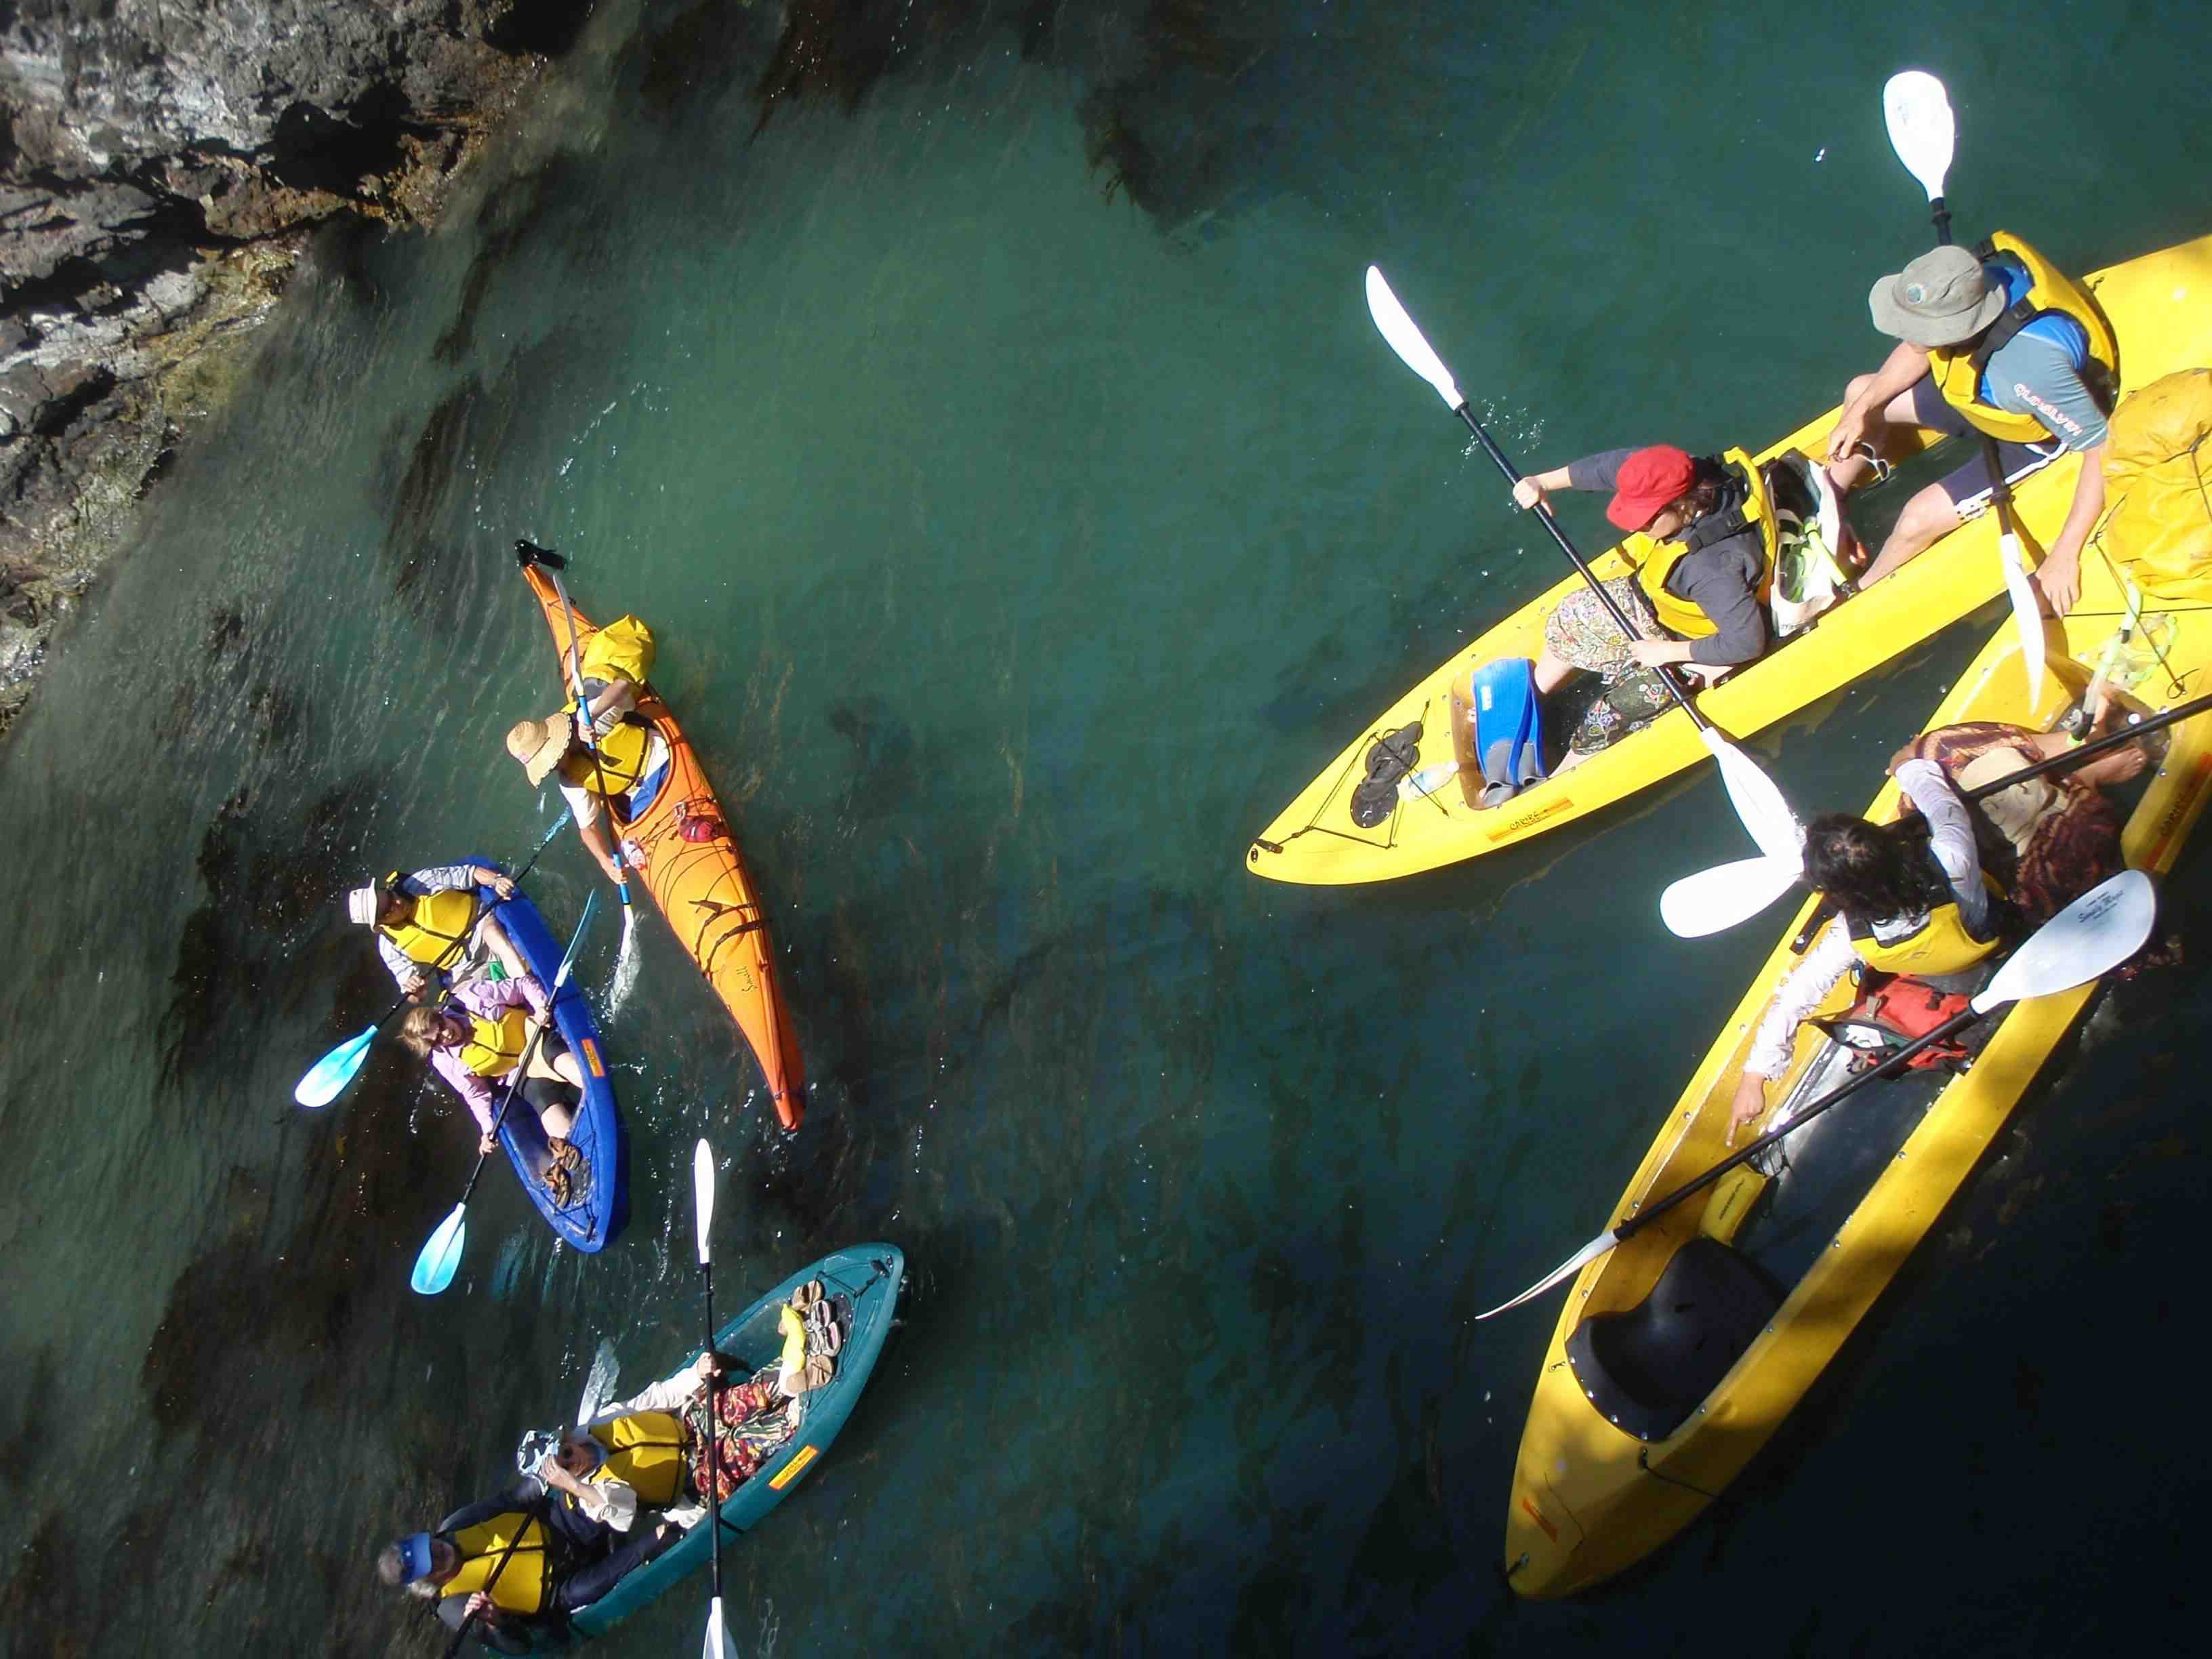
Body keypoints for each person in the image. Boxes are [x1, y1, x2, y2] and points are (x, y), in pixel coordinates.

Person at [1727, 714, 2147, 1144]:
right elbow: (1940, 803)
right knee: (1940, 747)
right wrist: (1908, 764)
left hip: (1958, 957)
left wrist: (1754, 1077)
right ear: (1883, 842)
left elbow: (1797, 996)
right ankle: (2083, 774)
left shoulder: (1846, 934)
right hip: (1999, 913)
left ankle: (2073, 768)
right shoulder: (1949, 856)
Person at [1824, 237, 2117, 607]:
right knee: (1861, 391)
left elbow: (2101, 446)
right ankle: (1830, 501)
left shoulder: (2031, 371)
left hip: (2028, 430)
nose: (1902, 333)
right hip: (1976, 390)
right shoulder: (1975, 288)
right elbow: (1920, 345)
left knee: (1916, 519)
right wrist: (1862, 409)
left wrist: (2064, 554)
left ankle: (1860, 591)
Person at [1507, 443, 1800, 766]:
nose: (1637, 527)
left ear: (1683, 503)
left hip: (1694, 637)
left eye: (1647, 519)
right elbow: (1608, 466)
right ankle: (1530, 702)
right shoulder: (1678, 472)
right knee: (1572, 613)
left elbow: (1747, 642)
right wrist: (1541, 483)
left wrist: (1666, 652)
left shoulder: (1710, 568)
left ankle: (1560, 773)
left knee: (1619, 708)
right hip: (1666, 603)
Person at [520, 1286, 842, 1536]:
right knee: (739, 1444)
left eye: (565, 1452)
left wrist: (696, 1373)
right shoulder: (594, 1500)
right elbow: (623, 1515)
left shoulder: (599, 1423)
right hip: (695, 1481)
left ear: (567, 1440)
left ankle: (791, 1375)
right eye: (565, 1467)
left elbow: (658, 1396)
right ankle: (793, 1414)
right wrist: (575, 1487)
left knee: (732, 1402)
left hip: (690, 1425)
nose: (571, 1460)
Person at [376, 1478, 679, 1653]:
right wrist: (497, 1620)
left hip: (557, 1528)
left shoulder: (454, 1525)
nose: (438, 1549)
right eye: (433, 1560)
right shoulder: (455, 1608)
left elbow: (510, 1500)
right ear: (428, 1580)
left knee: (594, 1492)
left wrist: (543, 1478)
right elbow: (519, 1647)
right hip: (558, 1590)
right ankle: (657, 1539)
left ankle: (665, 1480)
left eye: (428, 1545)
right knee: (589, 1586)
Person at [506, 614, 668, 888]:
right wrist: (605, 862)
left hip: (660, 761)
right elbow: (587, 827)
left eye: (550, 761)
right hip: (639, 798)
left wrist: (597, 715)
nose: (553, 767)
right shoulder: (570, 780)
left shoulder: (587, 717)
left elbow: (621, 687)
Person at [398, 974, 586, 1200]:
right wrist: (486, 1129)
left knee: (572, 1069)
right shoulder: (444, 1061)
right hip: (522, 1075)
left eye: (441, 1026)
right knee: (550, 1113)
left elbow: (522, 985)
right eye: (437, 1040)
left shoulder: (471, 999)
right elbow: (474, 1092)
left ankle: (594, 1094)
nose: (446, 1035)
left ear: (440, 1015)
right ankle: (574, 1159)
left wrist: (539, 1006)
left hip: (536, 1041)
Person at [346, 861, 536, 1001]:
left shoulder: (420, 883)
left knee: (495, 936)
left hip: (481, 927)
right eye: (389, 910)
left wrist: (496, 880)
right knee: (467, 999)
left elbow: (471, 873)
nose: (397, 902)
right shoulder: (389, 947)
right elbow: (413, 996)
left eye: (390, 895)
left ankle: (529, 985)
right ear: (380, 924)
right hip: (463, 969)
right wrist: (414, 991)